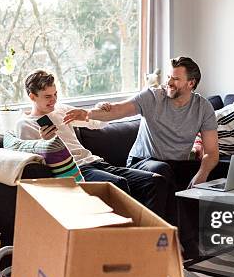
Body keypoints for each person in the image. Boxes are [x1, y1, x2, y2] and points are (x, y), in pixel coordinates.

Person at [63, 56, 219, 230]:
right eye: (169, 77)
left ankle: (197, 237)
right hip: (143, 161)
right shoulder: (153, 97)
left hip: (176, 163)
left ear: (191, 83)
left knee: (214, 171)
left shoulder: (203, 107)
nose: (169, 82)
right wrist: (87, 113)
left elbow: (211, 152)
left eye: (175, 79)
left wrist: (202, 174)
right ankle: (156, 236)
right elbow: (118, 110)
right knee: (162, 170)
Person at [15, 69, 167, 216]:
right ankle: (126, 239)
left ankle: (157, 236)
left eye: (55, 94)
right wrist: (45, 142)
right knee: (118, 184)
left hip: (95, 163)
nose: (54, 100)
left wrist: (100, 108)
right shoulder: (25, 125)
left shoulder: (61, 110)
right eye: (47, 96)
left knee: (155, 182)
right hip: (76, 171)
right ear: (32, 96)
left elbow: (98, 123)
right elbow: (32, 162)